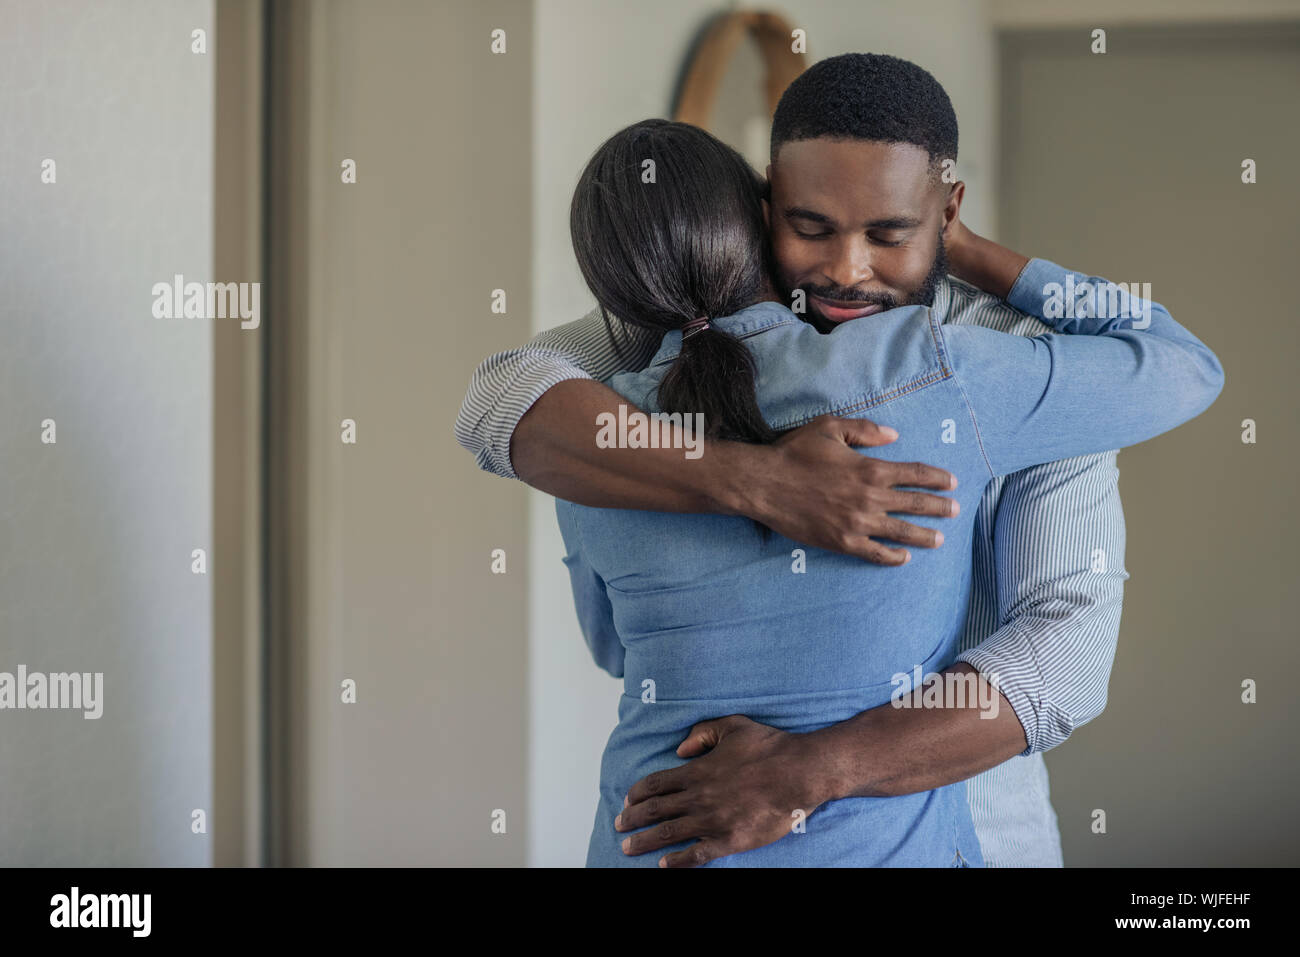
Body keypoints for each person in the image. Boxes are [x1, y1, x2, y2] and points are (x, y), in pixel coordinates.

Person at [454, 54, 1219, 866]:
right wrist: (762, 483)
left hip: (977, 835)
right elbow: (497, 401)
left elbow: (1062, 660)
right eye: (810, 227)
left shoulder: (1017, 358)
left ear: (948, 210)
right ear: (760, 208)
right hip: (695, 823)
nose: (846, 271)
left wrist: (809, 771)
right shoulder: (666, 335)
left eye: (890, 232)